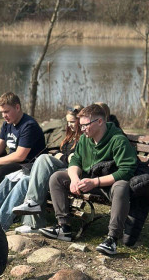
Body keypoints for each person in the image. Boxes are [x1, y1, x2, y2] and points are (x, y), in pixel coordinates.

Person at [40, 103, 137, 255]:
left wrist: (95, 182)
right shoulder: (85, 139)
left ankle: (111, 239)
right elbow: (75, 160)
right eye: (81, 125)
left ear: (99, 122)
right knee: (57, 177)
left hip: (109, 183)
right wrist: (74, 179)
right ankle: (63, 227)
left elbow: (126, 171)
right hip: (89, 180)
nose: (82, 129)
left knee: (122, 187)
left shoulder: (118, 140)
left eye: (85, 125)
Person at [0, 106, 83, 232]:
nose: (70, 125)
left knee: (39, 164)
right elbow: (65, 155)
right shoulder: (69, 137)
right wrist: (60, 155)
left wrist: (61, 156)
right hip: (58, 167)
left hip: (69, 172)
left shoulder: (84, 137)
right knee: (16, 178)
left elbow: (74, 159)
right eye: (68, 121)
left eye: (72, 121)